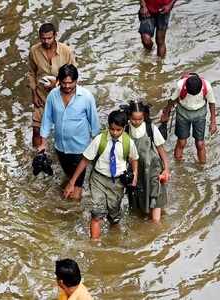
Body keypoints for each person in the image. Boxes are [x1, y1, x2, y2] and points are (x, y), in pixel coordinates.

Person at [64, 110, 139, 240]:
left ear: (124, 128)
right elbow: (85, 160)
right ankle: (95, 243)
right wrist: (72, 182)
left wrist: (135, 175)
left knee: (114, 215)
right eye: (112, 129)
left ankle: (114, 239)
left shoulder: (128, 142)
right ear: (108, 126)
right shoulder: (100, 139)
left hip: (117, 183)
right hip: (98, 179)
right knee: (97, 213)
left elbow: (134, 159)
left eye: (118, 130)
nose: (114, 133)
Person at [38, 64, 100, 200]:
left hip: (81, 149)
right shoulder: (53, 96)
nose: (66, 86)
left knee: (76, 186)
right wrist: (43, 143)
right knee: (69, 176)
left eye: (70, 83)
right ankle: (71, 203)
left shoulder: (86, 97)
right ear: (58, 81)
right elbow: (47, 119)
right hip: (61, 148)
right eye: (63, 83)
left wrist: (98, 149)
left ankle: (73, 215)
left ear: (76, 81)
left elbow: (94, 123)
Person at [27, 22, 76, 148]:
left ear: (55, 36)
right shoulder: (34, 51)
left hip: (62, 96)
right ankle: (38, 156)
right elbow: (31, 73)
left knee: (65, 130)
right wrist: (34, 94)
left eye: (49, 38)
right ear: (39, 37)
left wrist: (57, 84)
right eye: (43, 38)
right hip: (42, 96)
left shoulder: (66, 51)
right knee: (36, 130)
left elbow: (74, 76)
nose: (46, 41)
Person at [126, 101, 170, 223]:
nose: (136, 122)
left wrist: (166, 169)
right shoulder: (125, 130)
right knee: (137, 196)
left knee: (156, 193)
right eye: (133, 119)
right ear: (129, 117)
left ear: (144, 117)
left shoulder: (151, 129)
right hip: (135, 170)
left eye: (140, 119)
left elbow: (162, 151)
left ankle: (156, 223)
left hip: (152, 168)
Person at [161, 73, 217, 163]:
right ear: (186, 87)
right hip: (183, 112)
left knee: (200, 144)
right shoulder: (180, 85)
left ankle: (202, 168)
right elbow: (172, 100)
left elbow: (211, 103)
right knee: (181, 142)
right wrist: (166, 114)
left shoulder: (207, 86)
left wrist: (213, 122)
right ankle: (178, 166)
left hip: (200, 114)